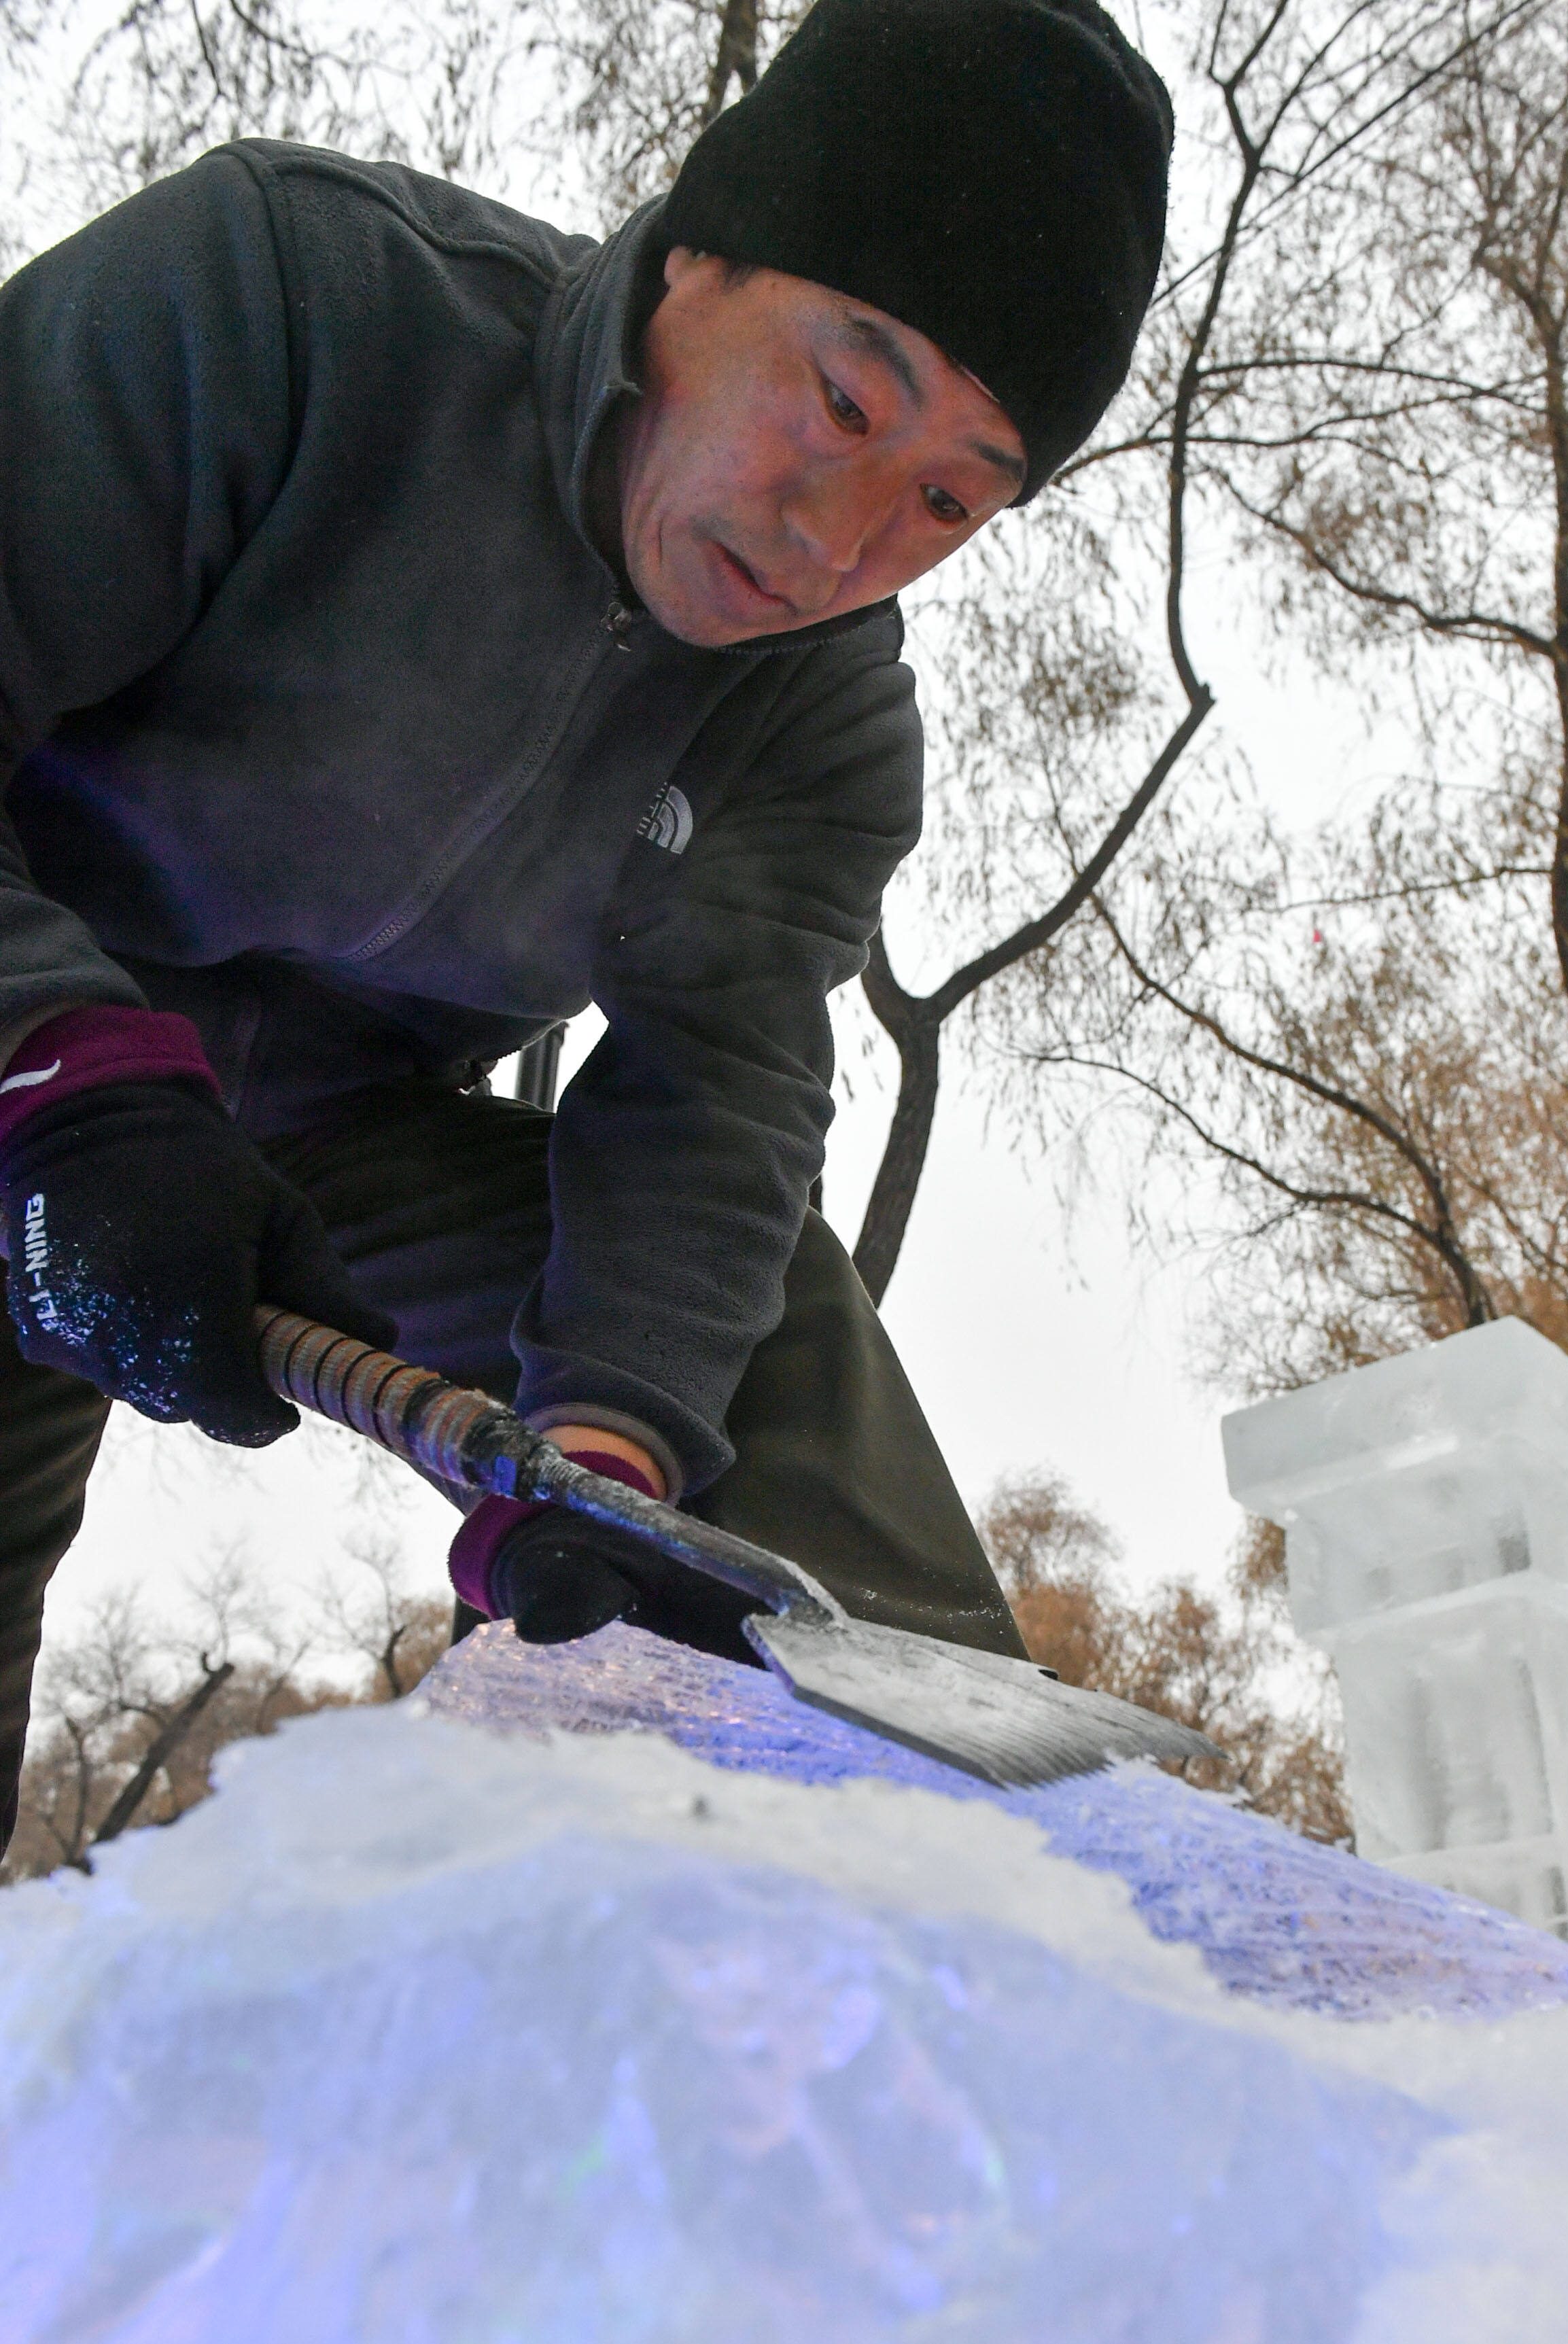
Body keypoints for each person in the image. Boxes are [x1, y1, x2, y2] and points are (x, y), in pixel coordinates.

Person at [0, 0, 1172, 1852]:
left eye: (945, 494)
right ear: (699, 250)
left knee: (740, 1320)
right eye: (845, 397)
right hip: (30, 1027)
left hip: (318, 1144)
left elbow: (714, 1087)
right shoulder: (291, 302)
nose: (837, 535)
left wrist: (612, 1458)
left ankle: (966, 1893)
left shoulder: (818, 714)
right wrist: (55, 1067)